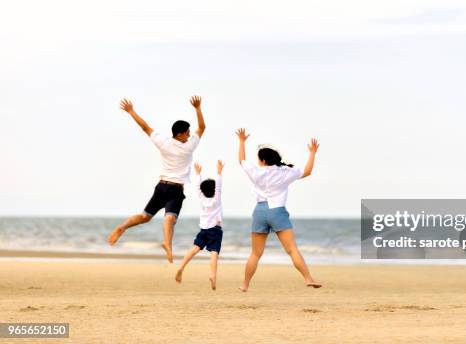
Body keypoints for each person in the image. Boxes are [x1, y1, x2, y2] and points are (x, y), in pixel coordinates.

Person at [107, 96, 206, 263]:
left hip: (161, 187)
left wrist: (131, 111)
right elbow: (202, 127)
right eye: (187, 133)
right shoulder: (189, 147)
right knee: (170, 218)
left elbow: (145, 127)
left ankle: (122, 227)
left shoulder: (164, 143)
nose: (189, 136)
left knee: (145, 217)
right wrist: (197, 108)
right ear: (180, 134)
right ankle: (167, 242)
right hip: (175, 190)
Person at [235, 128, 322, 292]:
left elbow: (241, 160)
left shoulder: (255, 171)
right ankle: (308, 278)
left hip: (260, 212)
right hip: (277, 212)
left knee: (255, 253)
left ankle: (245, 284)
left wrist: (241, 141)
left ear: (262, 160)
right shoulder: (285, 172)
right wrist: (312, 153)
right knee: (292, 250)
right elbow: (307, 171)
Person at [175, 160, 224, 290]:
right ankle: (213, 275)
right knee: (214, 252)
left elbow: (198, 187)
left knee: (195, 248)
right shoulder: (216, 200)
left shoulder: (202, 198)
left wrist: (198, 174)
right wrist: (219, 172)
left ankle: (181, 267)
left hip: (203, 229)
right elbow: (218, 187)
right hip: (215, 229)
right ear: (214, 191)